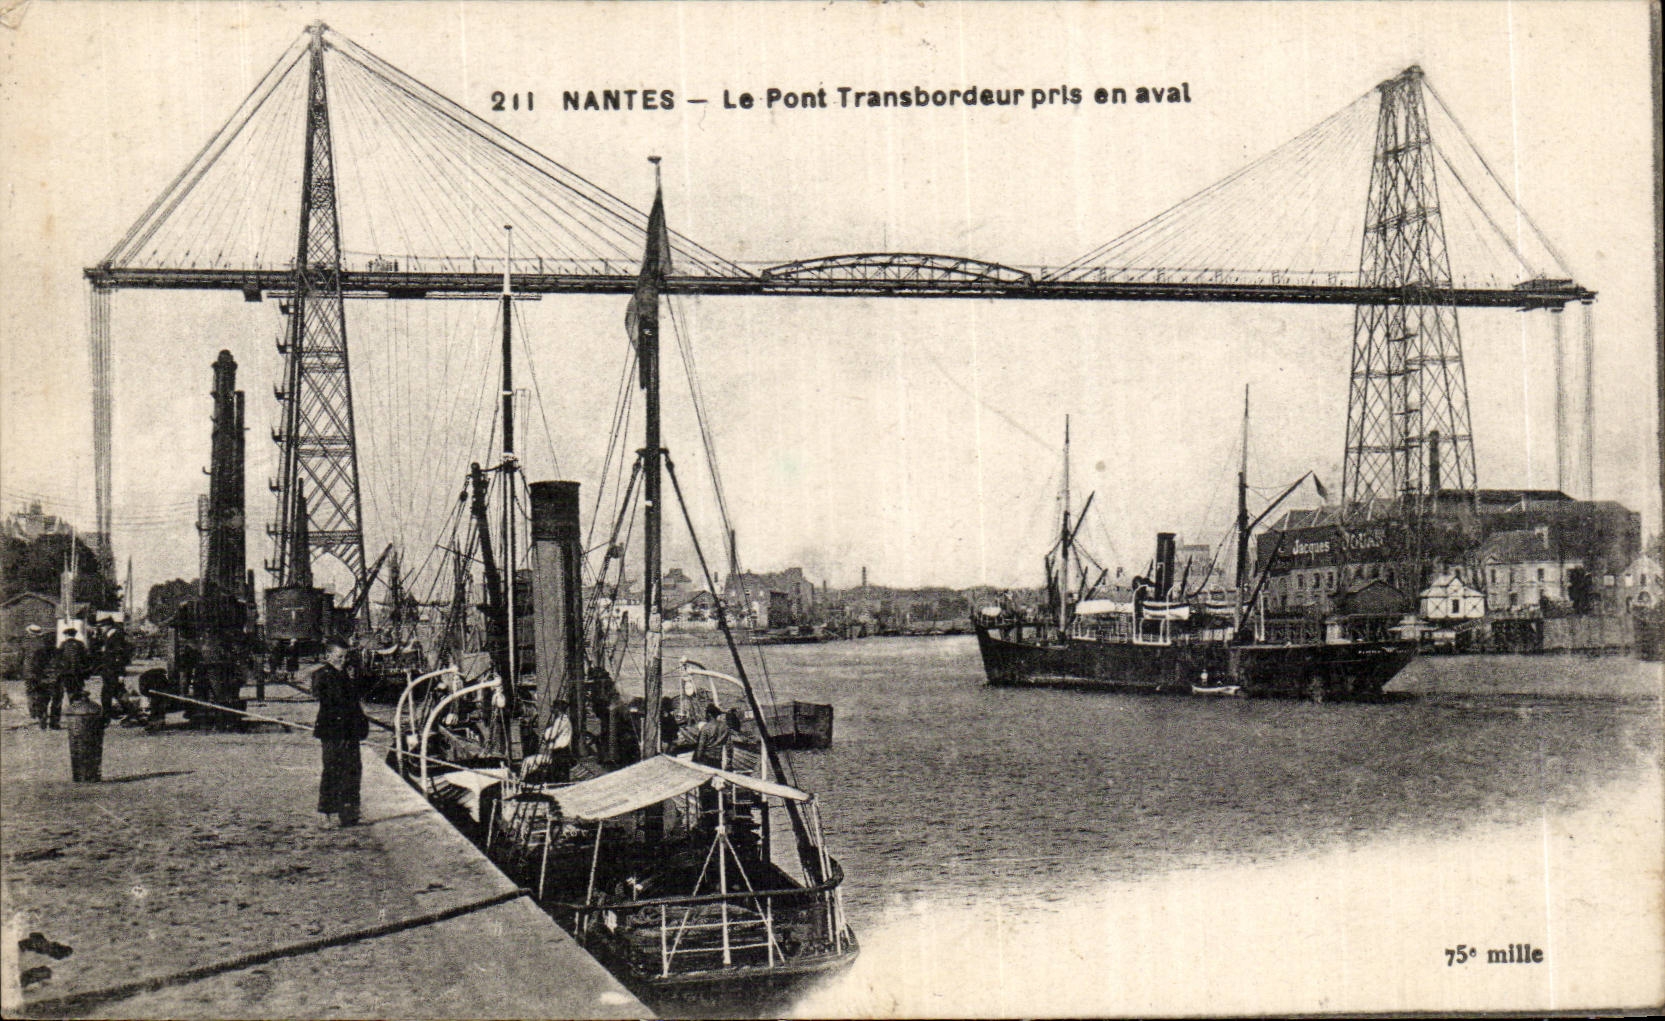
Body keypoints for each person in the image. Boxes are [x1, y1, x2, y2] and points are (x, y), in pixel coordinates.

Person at [312, 640, 368, 828]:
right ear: (329, 656)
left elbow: (355, 703)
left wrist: (361, 726)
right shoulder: (322, 675)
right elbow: (329, 701)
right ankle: (326, 812)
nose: (343, 661)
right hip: (332, 731)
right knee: (332, 769)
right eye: (339, 657)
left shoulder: (346, 675)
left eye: (345, 657)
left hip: (350, 731)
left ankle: (349, 811)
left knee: (353, 769)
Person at [51, 631, 91, 731]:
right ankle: (77, 721)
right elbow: (86, 660)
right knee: (75, 698)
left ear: (66, 635)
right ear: (74, 635)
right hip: (76, 676)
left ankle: (54, 723)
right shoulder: (80, 645)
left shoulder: (62, 645)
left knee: (57, 699)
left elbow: (56, 660)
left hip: (62, 675)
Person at [24, 625, 54, 728]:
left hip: (28, 672)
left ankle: (33, 710)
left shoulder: (25, 643)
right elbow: (48, 659)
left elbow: (19, 658)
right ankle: (42, 713)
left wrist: (20, 669)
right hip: (41, 673)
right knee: (42, 693)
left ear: (29, 633)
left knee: (30, 692)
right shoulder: (44, 644)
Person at [692, 702, 732, 769]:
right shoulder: (725, 727)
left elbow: (701, 746)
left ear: (709, 714)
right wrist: (729, 762)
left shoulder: (705, 728)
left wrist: (698, 761)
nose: (705, 716)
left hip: (707, 759)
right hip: (718, 759)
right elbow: (729, 746)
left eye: (706, 714)